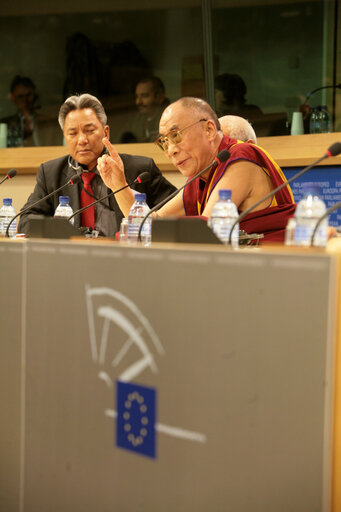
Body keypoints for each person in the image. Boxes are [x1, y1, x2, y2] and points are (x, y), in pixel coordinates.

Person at [97, 97, 296, 243]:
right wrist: (119, 185)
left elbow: (206, 230)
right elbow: (150, 222)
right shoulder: (202, 176)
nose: (171, 151)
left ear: (209, 130)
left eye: (176, 135)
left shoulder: (241, 158)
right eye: (164, 142)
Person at [18, 93, 176, 236]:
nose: (82, 140)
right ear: (65, 137)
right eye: (72, 133)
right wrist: (64, 232)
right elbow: (26, 222)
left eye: (89, 130)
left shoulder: (140, 170)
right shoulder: (51, 173)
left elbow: (177, 214)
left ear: (106, 132)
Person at [120, 76, 169, 143]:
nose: (138, 102)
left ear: (159, 97)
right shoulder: (135, 121)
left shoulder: (169, 120)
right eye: (137, 96)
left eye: (144, 96)